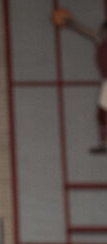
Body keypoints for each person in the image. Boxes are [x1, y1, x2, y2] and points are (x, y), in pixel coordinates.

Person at [54, 7, 107, 153]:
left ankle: (104, 143)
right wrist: (70, 22)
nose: (101, 33)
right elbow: (86, 31)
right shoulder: (100, 40)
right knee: (102, 114)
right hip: (106, 81)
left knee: (102, 113)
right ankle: (103, 144)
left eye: (104, 31)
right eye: (102, 31)